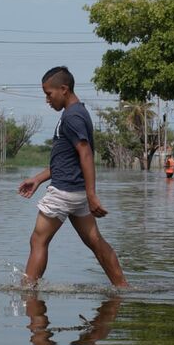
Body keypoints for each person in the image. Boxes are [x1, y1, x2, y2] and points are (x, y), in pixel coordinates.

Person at [18, 67, 128, 289]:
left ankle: (28, 294)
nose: (47, 99)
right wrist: (39, 179)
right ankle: (123, 288)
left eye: (49, 94)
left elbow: (85, 153)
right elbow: (66, 160)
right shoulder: (76, 113)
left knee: (38, 240)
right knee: (96, 242)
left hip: (64, 191)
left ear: (64, 89)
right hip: (74, 191)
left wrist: (92, 195)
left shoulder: (72, 116)